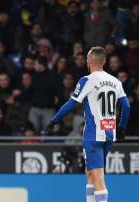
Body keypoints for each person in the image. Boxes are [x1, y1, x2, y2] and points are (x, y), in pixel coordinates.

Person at [47, 47, 130, 202]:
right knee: (90, 171)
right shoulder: (115, 81)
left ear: (90, 61)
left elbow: (72, 103)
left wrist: (54, 120)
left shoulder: (87, 80)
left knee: (98, 177)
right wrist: (122, 128)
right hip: (109, 133)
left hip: (93, 135)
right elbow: (126, 107)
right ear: (104, 62)